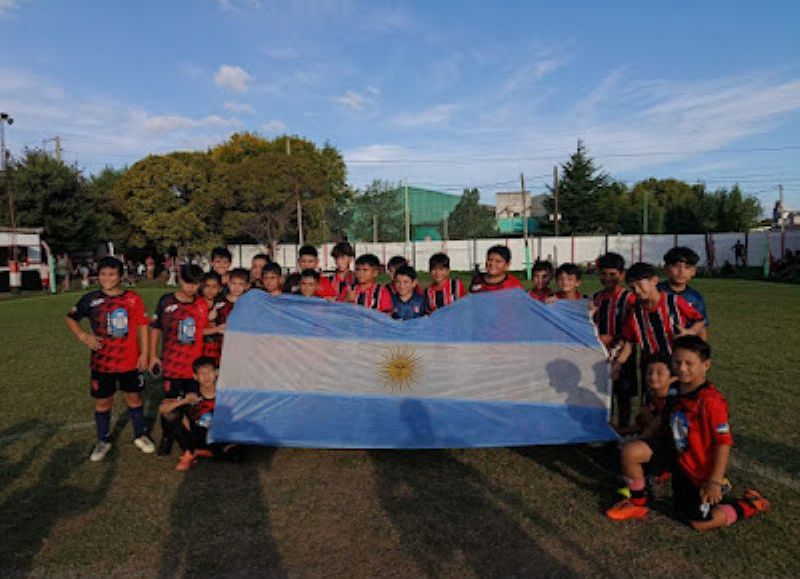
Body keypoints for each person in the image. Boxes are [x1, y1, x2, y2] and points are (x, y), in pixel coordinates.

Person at [610, 337, 770, 530]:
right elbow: (662, 418)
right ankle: (637, 503)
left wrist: (714, 481)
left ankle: (751, 504)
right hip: (675, 456)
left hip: (696, 469)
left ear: (706, 365)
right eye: (677, 362)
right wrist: (635, 435)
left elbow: (723, 443)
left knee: (698, 523)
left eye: (689, 363)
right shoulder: (675, 390)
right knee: (631, 451)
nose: (682, 368)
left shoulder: (711, 402)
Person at [65, 256, 154, 461]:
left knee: (134, 398)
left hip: (130, 361)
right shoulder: (90, 299)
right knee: (103, 402)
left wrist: (145, 353)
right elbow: (70, 317)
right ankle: (103, 440)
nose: (107, 278)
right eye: (103, 274)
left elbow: (143, 325)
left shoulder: (133, 298)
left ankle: (140, 435)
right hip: (102, 363)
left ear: (120, 276)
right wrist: (83, 335)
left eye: (112, 274)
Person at [605, 353, 677, 520]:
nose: (653, 377)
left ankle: (640, 498)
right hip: (655, 443)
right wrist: (621, 431)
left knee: (629, 451)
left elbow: (654, 429)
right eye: (649, 372)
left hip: (672, 449)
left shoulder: (673, 400)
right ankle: (649, 478)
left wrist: (636, 439)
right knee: (624, 447)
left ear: (672, 378)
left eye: (660, 373)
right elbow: (642, 426)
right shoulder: (649, 395)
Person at [149, 264, 209, 456]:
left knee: (192, 406)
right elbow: (156, 328)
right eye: (187, 282)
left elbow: (201, 330)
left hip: (193, 367)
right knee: (170, 408)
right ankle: (167, 438)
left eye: (195, 284)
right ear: (179, 280)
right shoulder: (166, 301)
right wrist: (152, 355)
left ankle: (191, 443)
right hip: (172, 365)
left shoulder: (202, 304)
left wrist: (215, 327)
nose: (191, 287)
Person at [611, 262, 705, 381]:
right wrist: (618, 363)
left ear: (654, 280)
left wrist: (690, 331)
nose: (637, 290)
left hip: (676, 363)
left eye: (640, 285)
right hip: (651, 366)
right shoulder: (636, 311)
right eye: (632, 287)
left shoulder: (674, 302)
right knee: (652, 398)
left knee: (676, 396)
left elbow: (699, 320)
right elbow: (629, 342)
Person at [593, 252, 638, 428]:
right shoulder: (597, 298)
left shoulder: (629, 298)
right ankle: (605, 428)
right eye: (603, 274)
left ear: (622, 274)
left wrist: (614, 340)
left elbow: (633, 328)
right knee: (602, 393)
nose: (607, 278)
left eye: (613, 274)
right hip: (601, 355)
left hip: (623, 355)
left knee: (623, 395)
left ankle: (624, 429)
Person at [158, 356, 218, 472]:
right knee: (172, 414)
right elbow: (163, 409)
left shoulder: (225, 394)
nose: (206, 377)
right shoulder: (191, 394)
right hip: (193, 437)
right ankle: (189, 451)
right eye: (202, 373)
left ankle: (205, 451)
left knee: (236, 455)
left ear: (216, 373)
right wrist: (184, 401)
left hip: (216, 437)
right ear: (195, 377)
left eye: (209, 372)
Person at [658, 247, 709, 329]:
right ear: (666, 269)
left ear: (693, 271)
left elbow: (701, 326)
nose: (681, 271)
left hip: (685, 340)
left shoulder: (695, 298)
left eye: (687, 267)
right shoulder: (655, 291)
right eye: (676, 266)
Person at [200, 272, 232, 367]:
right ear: (201, 287)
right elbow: (191, 332)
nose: (210, 290)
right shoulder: (195, 305)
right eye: (207, 286)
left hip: (218, 350)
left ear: (220, 289)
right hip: (199, 350)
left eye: (214, 287)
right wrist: (215, 329)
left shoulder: (222, 306)